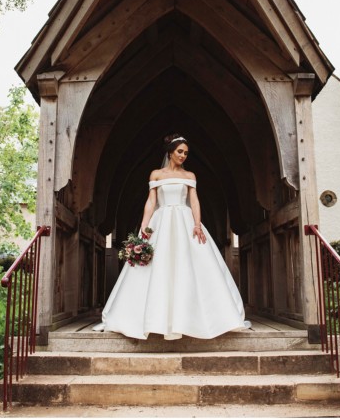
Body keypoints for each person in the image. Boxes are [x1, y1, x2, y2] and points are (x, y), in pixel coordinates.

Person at [93, 134, 251, 340]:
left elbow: (194, 201)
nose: (183, 155)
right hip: (161, 221)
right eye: (180, 151)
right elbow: (151, 201)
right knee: (156, 265)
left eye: (186, 152)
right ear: (170, 152)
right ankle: (151, 319)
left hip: (185, 222)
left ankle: (194, 318)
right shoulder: (156, 174)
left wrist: (197, 224)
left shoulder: (190, 176)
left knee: (191, 264)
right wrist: (144, 226)